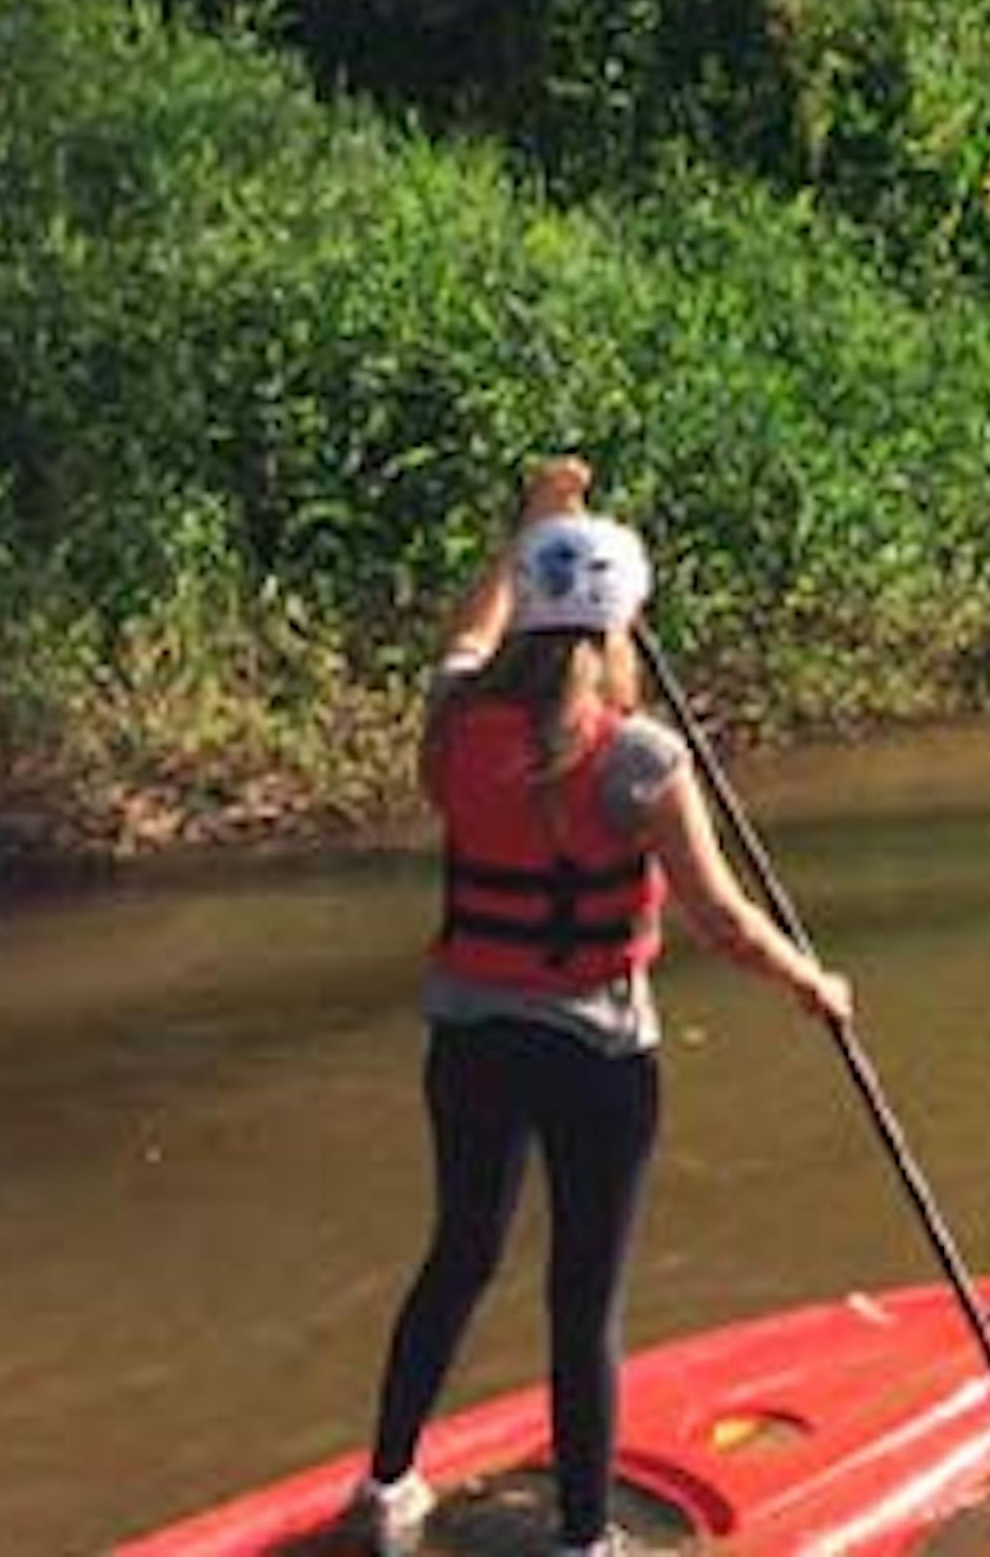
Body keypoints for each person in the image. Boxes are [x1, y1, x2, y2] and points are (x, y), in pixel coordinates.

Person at [347, 458, 853, 1557]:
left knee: (460, 1255)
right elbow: (723, 919)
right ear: (625, 622)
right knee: (585, 1296)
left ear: (528, 600)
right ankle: (585, 1541)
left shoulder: (451, 727)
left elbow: (464, 639)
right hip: (598, 1055)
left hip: (470, 1043)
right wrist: (813, 982)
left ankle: (385, 1487)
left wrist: (534, 524)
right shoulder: (641, 758)